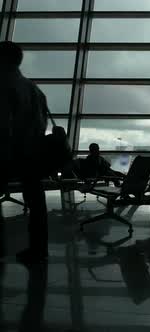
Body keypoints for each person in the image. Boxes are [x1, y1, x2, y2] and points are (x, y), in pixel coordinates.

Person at [0, 41, 49, 264]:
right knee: (37, 202)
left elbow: (3, 123)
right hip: (33, 154)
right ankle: (39, 248)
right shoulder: (33, 88)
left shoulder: (4, 84)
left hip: (10, 153)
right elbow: (42, 124)